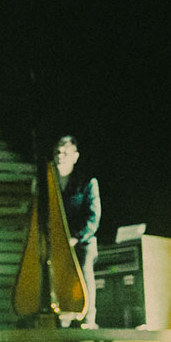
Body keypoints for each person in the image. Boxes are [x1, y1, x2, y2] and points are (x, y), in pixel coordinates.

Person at [53, 135, 100, 329]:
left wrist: (75, 238)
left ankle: (88, 318)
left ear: (75, 156)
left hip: (82, 241)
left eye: (65, 152)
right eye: (57, 152)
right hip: (58, 240)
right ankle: (60, 315)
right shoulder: (49, 181)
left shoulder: (87, 182)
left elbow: (93, 217)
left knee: (85, 265)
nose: (60, 156)